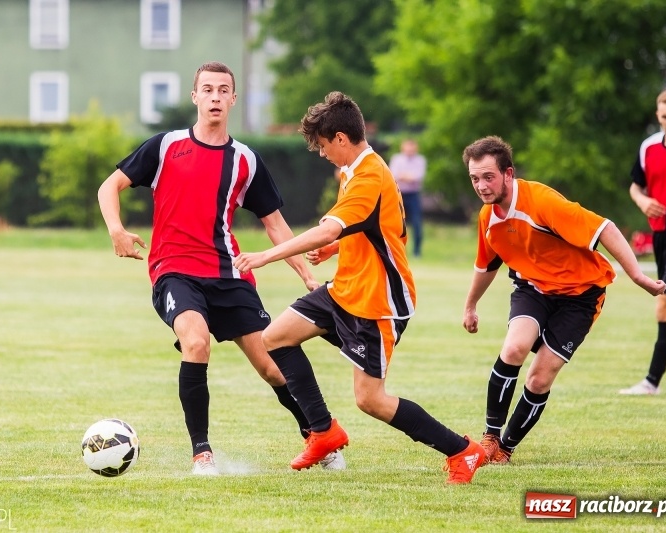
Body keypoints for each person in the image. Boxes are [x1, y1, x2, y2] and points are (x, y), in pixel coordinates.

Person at [97, 61, 345, 476]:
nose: (215, 97)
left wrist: (304, 274)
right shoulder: (165, 146)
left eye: (223, 90)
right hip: (175, 271)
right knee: (196, 343)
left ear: (233, 99)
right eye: (207, 89)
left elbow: (274, 224)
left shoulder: (245, 159)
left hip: (230, 276)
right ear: (195, 96)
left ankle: (319, 436)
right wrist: (116, 229)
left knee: (273, 365)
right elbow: (110, 186)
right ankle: (202, 454)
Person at [234, 91, 486, 484]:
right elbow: (380, 227)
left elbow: (330, 228)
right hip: (345, 290)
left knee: (370, 400)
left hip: (377, 301)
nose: (321, 154)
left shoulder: (369, 176)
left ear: (340, 137)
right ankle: (323, 431)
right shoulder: (354, 169)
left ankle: (462, 450)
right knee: (275, 337)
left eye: (323, 145)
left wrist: (266, 256)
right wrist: (336, 248)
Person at [460, 136, 666, 465]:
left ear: (508, 174)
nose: (481, 186)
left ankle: (505, 449)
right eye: (474, 178)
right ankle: (490, 438)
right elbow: (487, 265)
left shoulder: (541, 201)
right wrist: (471, 305)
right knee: (513, 349)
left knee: (540, 377)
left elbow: (605, 228)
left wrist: (638, 275)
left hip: (580, 296)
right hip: (533, 289)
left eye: (488, 177)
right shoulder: (488, 217)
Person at [620, 88, 666, 396]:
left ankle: (651, 382)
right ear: (658, 116)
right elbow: (636, 187)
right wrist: (643, 201)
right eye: (665, 116)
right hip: (662, 239)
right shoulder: (648, 147)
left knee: (664, 305)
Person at [389, 138, 427, 257]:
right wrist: (408, 177)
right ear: (403, 148)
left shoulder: (420, 160)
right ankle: (396, 249)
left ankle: (417, 251)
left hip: (413, 194)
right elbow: (393, 175)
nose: (409, 150)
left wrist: (403, 176)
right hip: (398, 194)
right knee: (396, 223)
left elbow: (418, 177)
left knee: (416, 223)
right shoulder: (396, 159)